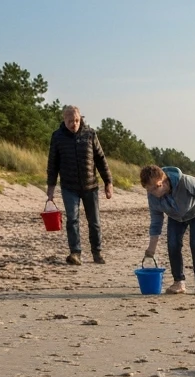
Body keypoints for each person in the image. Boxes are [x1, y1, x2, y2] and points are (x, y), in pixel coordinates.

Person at [46, 105, 113, 266]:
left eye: (77, 120)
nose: (74, 124)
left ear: (80, 118)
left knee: (94, 221)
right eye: (70, 121)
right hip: (69, 187)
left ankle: (97, 253)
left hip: (91, 186)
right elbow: (52, 163)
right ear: (64, 120)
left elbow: (100, 159)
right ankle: (75, 253)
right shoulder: (57, 137)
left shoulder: (90, 134)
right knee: (72, 220)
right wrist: (50, 188)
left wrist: (108, 182)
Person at [140, 164, 195, 296]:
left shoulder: (185, 182)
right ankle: (179, 282)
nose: (150, 194)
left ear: (160, 184)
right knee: (173, 244)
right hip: (175, 217)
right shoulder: (152, 195)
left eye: (152, 190)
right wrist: (151, 248)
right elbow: (156, 220)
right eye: (148, 191)